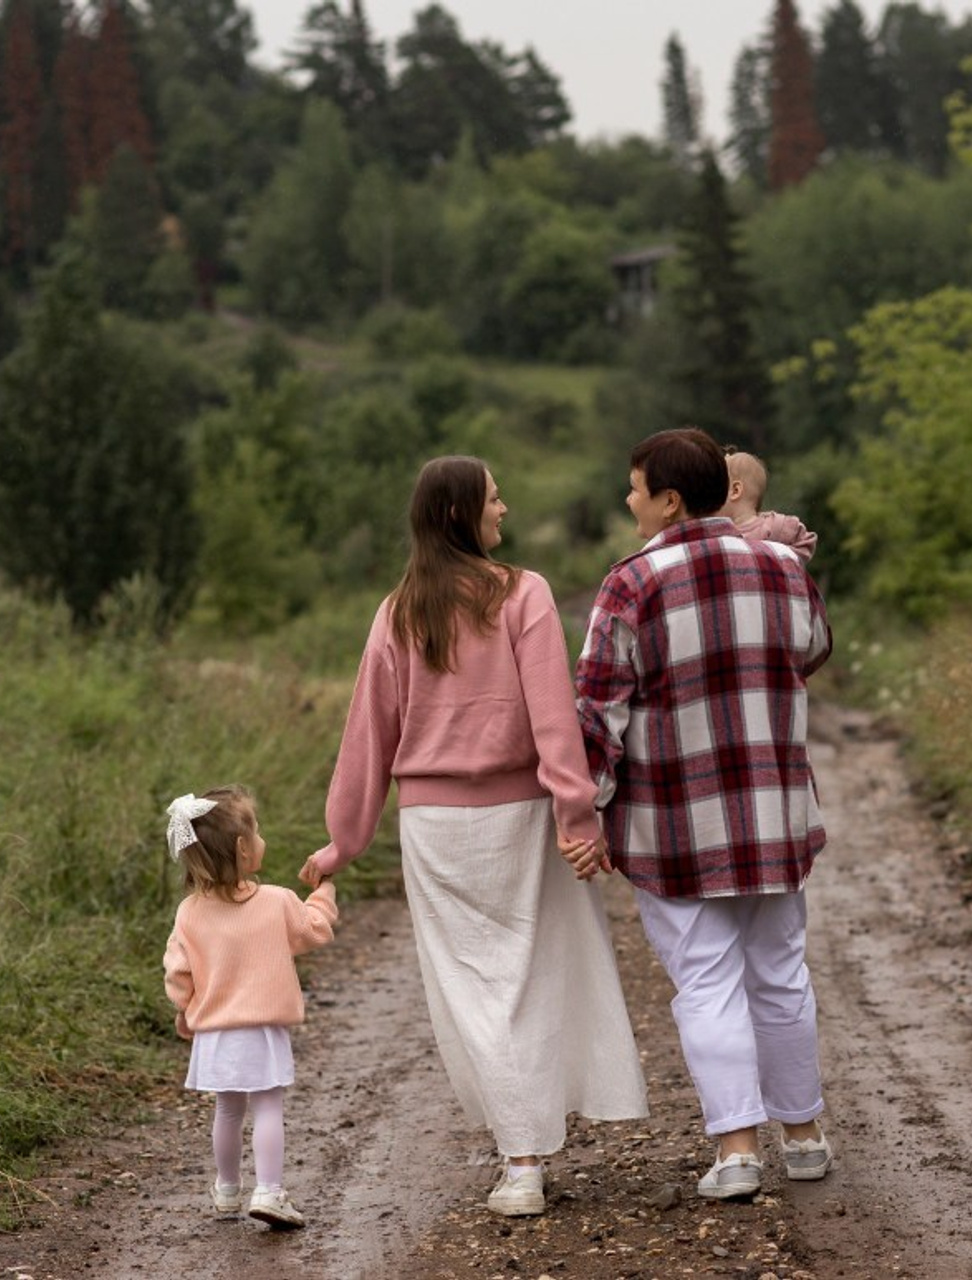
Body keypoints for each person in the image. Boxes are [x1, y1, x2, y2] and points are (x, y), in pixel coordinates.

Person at [298, 455, 648, 1219]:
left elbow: (368, 737)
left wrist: (343, 843)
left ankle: (518, 1157)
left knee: (473, 990)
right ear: (462, 514)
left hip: (432, 829)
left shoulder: (396, 612)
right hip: (520, 815)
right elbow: (554, 717)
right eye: (494, 499)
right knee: (531, 973)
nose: (506, 508)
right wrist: (576, 816)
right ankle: (527, 1152)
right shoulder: (523, 594)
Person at [570, 427, 834, 1202]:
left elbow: (597, 712)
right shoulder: (784, 565)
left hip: (674, 823)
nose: (629, 499)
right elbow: (812, 647)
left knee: (707, 982)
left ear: (669, 499)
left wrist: (588, 809)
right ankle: (806, 1137)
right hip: (773, 813)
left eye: (635, 487)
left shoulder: (630, 584)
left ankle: (738, 1150)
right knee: (781, 974)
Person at [162, 785, 338, 1230]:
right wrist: (324, 893)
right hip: (260, 1029)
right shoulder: (276, 901)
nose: (261, 840)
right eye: (256, 833)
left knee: (227, 1111)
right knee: (268, 1108)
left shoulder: (189, 912)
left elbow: (178, 972)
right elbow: (314, 931)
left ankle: (226, 1189)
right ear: (243, 849)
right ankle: (270, 1191)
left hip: (216, 1030)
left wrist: (185, 1012)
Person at [721, 447, 817, 562]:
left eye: (714, 486)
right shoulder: (718, 533)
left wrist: (783, 561)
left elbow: (806, 542)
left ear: (735, 491)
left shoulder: (775, 526)